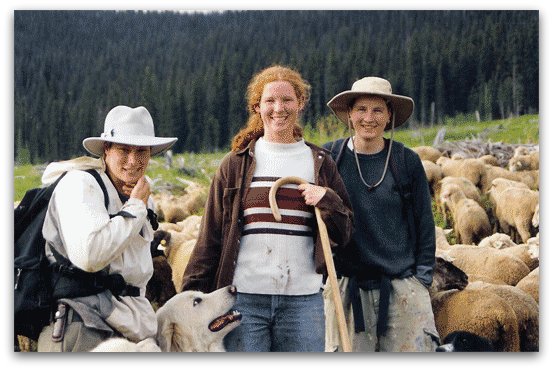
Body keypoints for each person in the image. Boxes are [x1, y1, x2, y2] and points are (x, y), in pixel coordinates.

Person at [181, 65, 353, 352]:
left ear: (300, 103)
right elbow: (210, 236)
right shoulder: (236, 165)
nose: (278, 108)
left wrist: (327, 199)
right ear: (257, 107)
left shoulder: (319, 162)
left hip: (303, 298)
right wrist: (190, 296)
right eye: (270, 101)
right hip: (245, 298)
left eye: (287, 100)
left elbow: (345, 231)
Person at [37, 105, 177, 351]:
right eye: (124, 149)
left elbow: (138, 272)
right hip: (84, 323)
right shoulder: (80, 183)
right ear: (107, 149)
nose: (133, 161)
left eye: (141, 151)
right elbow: (90, 256)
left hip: (133, 326)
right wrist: (134, 208)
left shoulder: (142, 197)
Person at [324, 77, 439, 352]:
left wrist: (422, 280)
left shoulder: (405, 161)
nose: (369, 118)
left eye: (377, 110)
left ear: (389, 116)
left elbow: (425, 223)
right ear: (350, 114)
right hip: (347, 289)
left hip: (401, 287)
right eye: (361, 109)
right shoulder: (330, 157)